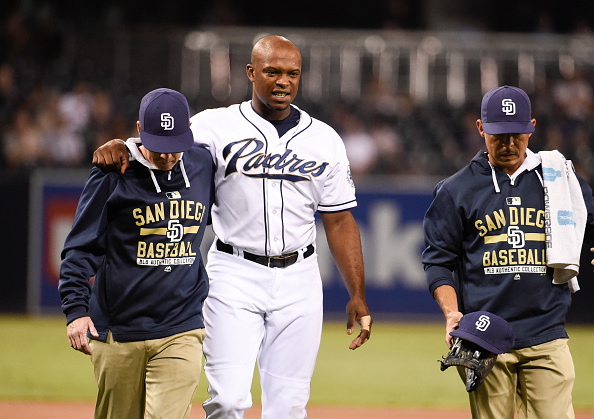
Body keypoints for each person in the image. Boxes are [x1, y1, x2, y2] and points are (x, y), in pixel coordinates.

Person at [92, 35, 372, 419]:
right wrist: (123, 143)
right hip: (232, 272)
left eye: (292, 73)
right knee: (225, 400)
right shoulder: (213, 126)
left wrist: (357, 292)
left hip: (300, 279)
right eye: (272, 71)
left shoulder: (324, 140)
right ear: (251, 72)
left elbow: (339, 220)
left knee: (288, 406)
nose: (283, 81)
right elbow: (160, 139)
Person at [422, 85, 594, 418]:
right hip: (484, 336)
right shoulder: (455, 190)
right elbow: (437, 261)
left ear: (532, 126)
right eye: (499, 135)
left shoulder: (558, 177)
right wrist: (451, 314)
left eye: (517, 134)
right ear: (480, 128)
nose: (509, 144)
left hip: (546, 332)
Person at [59, 88, 215, 419]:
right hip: (118, 330)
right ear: (140, 130)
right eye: (160, 148)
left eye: (175, 148)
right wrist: (75, 310)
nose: (169, 157)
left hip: (181, 324)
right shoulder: (114, 172)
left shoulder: (203, 163)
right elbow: (81, 245)